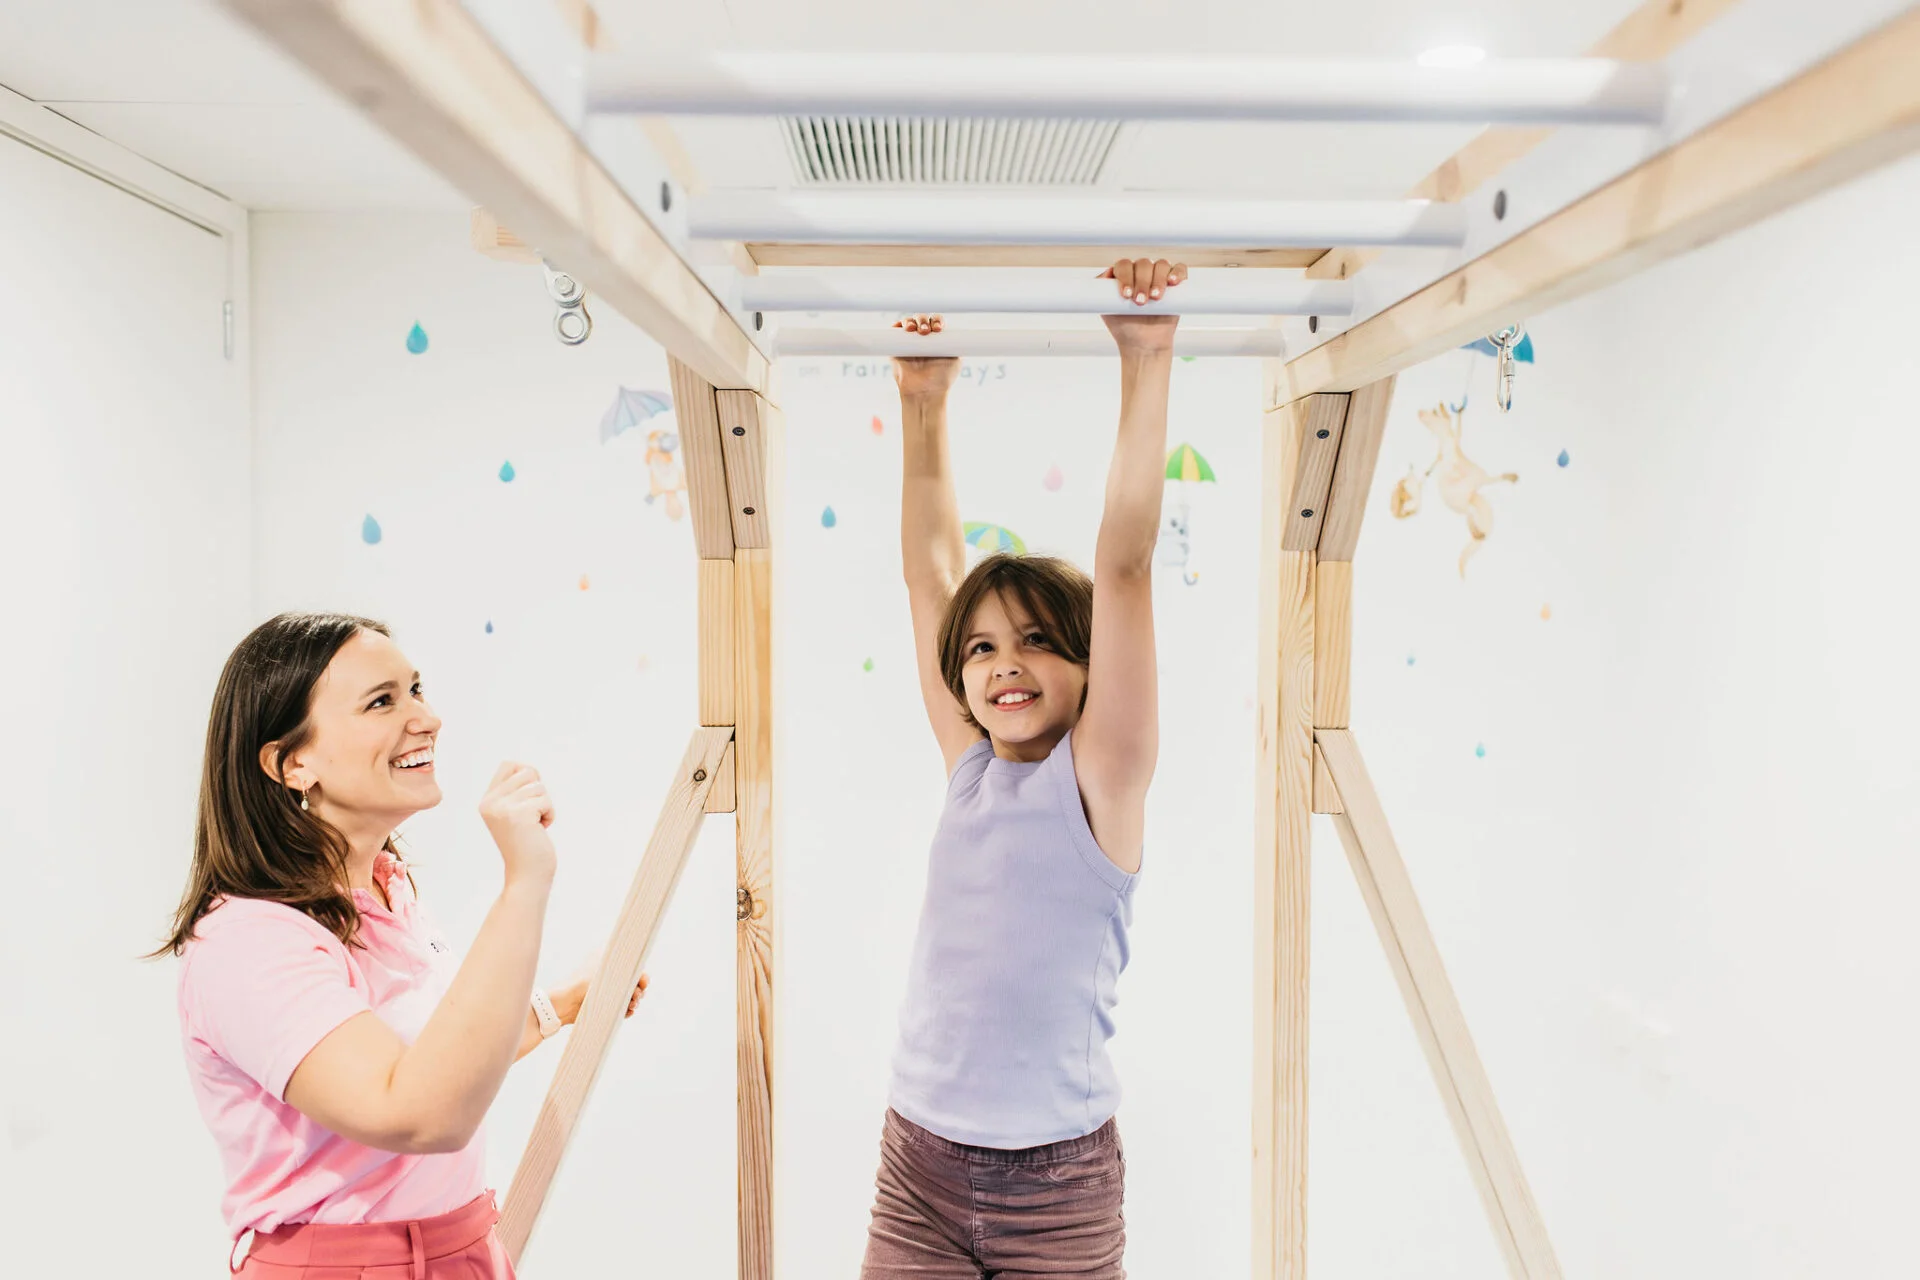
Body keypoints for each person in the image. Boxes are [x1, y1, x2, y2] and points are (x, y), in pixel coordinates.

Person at [861, 259, 1185, 1278]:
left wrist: (1146, 356)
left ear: (1091, 666)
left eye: (1039, 641)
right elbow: (929, 576)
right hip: (918, 1160)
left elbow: (1124, 564)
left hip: (1058, 1186)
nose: (1005, 664)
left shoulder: (1102, 780)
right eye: (984, 648)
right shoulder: (968, 766)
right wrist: (922, 401)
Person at [155, 612, 644, 1277]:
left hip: (461, 1249)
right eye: (381, 702)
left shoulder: (388, 889)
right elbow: (419, 1112)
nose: (428, 718)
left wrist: (560, 1005)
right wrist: (525, 881)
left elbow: (437, 1058)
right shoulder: (249, 942)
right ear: (292, 763)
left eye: (415, 689)